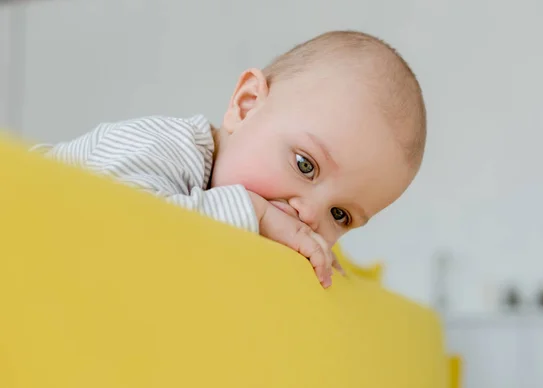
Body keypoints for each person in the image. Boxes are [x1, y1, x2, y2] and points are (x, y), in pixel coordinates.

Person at [32, 30, 427, 288]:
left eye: (340, 215)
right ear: (246, 105)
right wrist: (254, 211)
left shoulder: (240, 229)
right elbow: (111, 226)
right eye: (305, 165)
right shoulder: (161, 146)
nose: (309, 217)